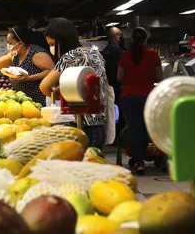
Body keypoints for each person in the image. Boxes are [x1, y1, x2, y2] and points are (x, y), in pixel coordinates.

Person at [40, 18, 108, 149]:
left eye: (52, 44)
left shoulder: (69, 57)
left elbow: (44, 86)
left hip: (77, 125)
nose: (51, 48)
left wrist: (63, 95)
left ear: (62, 40)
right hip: (98, 125)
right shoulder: (96, 54)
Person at [117, 27, 163, 174]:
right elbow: (159, 78)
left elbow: (119, 77)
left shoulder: (125, 55)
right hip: (148, 97)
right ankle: (149, 154)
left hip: (129, 97)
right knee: (147, 127)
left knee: (135, 128)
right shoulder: (153, 55)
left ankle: (139, 162)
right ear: (146, 40)